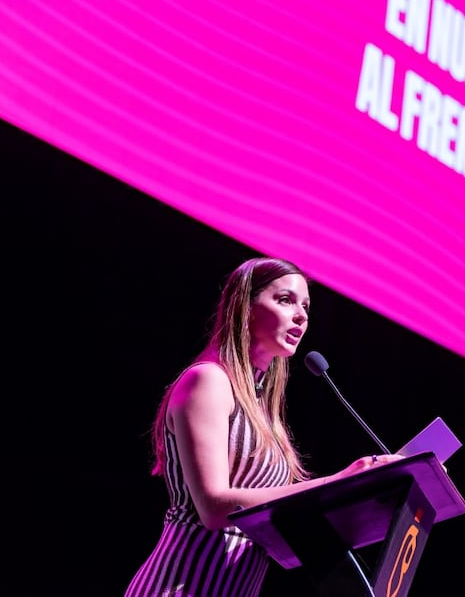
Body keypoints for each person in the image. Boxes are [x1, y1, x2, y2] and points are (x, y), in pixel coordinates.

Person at [124, 256, 401, 597]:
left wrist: (377, 488)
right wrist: (340, 480)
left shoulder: (264, 413)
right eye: (285, 300)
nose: (301, 315)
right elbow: (213, 508)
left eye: (306, 306)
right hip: (181, 584)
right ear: (245, 308)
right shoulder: (208, 381)